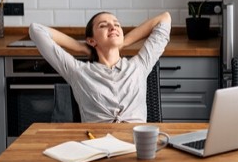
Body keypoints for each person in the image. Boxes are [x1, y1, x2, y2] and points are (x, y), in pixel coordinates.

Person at [29, 11, 171, 123]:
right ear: (91, 40)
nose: (113, 27)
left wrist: (124, 42)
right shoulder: (78, 72)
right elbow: (36, 30)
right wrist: (81, 47)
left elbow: (164, 18)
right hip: (98, 146)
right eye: (103, 25)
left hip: (137, 145)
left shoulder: (140, 65)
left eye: (117, 24)